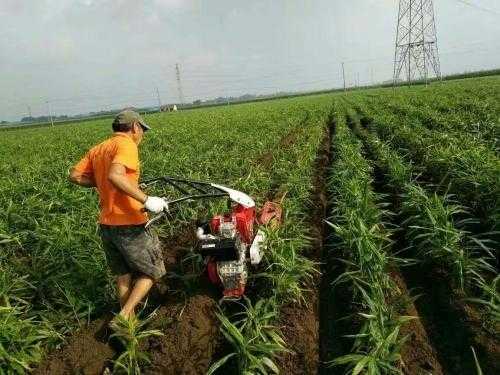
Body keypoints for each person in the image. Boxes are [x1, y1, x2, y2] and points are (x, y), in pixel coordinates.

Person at [69, 110, 168, 320]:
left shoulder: (99, 148)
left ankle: (128, 326)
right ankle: (124, 315)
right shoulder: (126, 145)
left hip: (107, 224)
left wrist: (102, 182)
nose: (142, 135)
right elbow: (115, 175)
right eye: (142, 130)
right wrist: (147, 200)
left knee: (123, 275)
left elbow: (75, 175)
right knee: (153, 271)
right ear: (135, 127)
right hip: (130, 222)